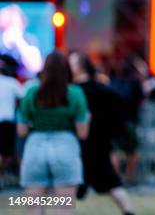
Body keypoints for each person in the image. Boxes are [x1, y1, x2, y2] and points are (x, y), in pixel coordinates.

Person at [17, 51, 89, 215]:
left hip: (35, 147)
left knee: (34, 207)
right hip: (66, 147)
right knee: (63, 208)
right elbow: (82, 133)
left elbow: (21, 131)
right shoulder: (76, 94)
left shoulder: (31, 92)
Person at [68, 52, 135, 215]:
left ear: (79, 67)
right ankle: (128, 212)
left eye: (71, 63)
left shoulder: (73, 92)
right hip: (97, 145)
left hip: (82, 146)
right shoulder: (103, 89)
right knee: (111, 185)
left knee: (65, 187)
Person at [110, 57, 146, 184]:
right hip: (130, 121)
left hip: (114, 122)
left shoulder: (113, 83)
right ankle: (130, 178)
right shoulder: (135, 83)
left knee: (114, 151)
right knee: (131, 151)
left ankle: (115, 179)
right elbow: (141, 100)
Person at [0, 54, 23, 177]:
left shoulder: (11, 82)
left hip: (6, 122)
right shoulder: (12, 82)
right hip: (6, 121)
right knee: (5, 153)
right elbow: (23, 99)